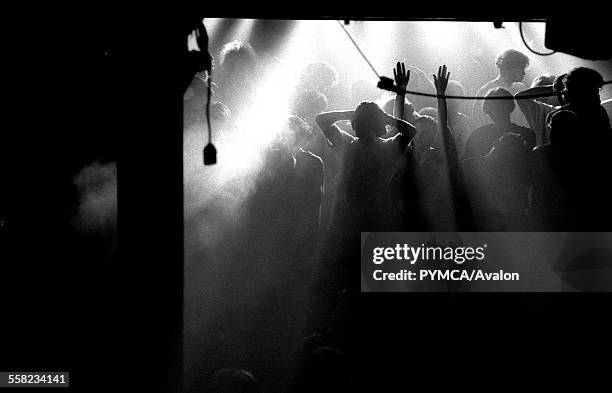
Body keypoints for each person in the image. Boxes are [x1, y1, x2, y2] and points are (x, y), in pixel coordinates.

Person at [464, 87, 535, 159]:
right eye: (493, 108)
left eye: (501, 106)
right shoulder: (477, 136)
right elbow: (467, 164)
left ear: (509, 107)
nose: (497, 111)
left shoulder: (478, 135)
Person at [471, 48, 531, 129]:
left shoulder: (522, 88)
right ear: (508, 67)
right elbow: (478, 122)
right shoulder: (485, 91)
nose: (524, 73)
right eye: (521, 68)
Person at [515, 73, 564, 146]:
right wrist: (557, 87)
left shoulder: (549, 110)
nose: (542, 97)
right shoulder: (544, 110)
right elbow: (520, 96)